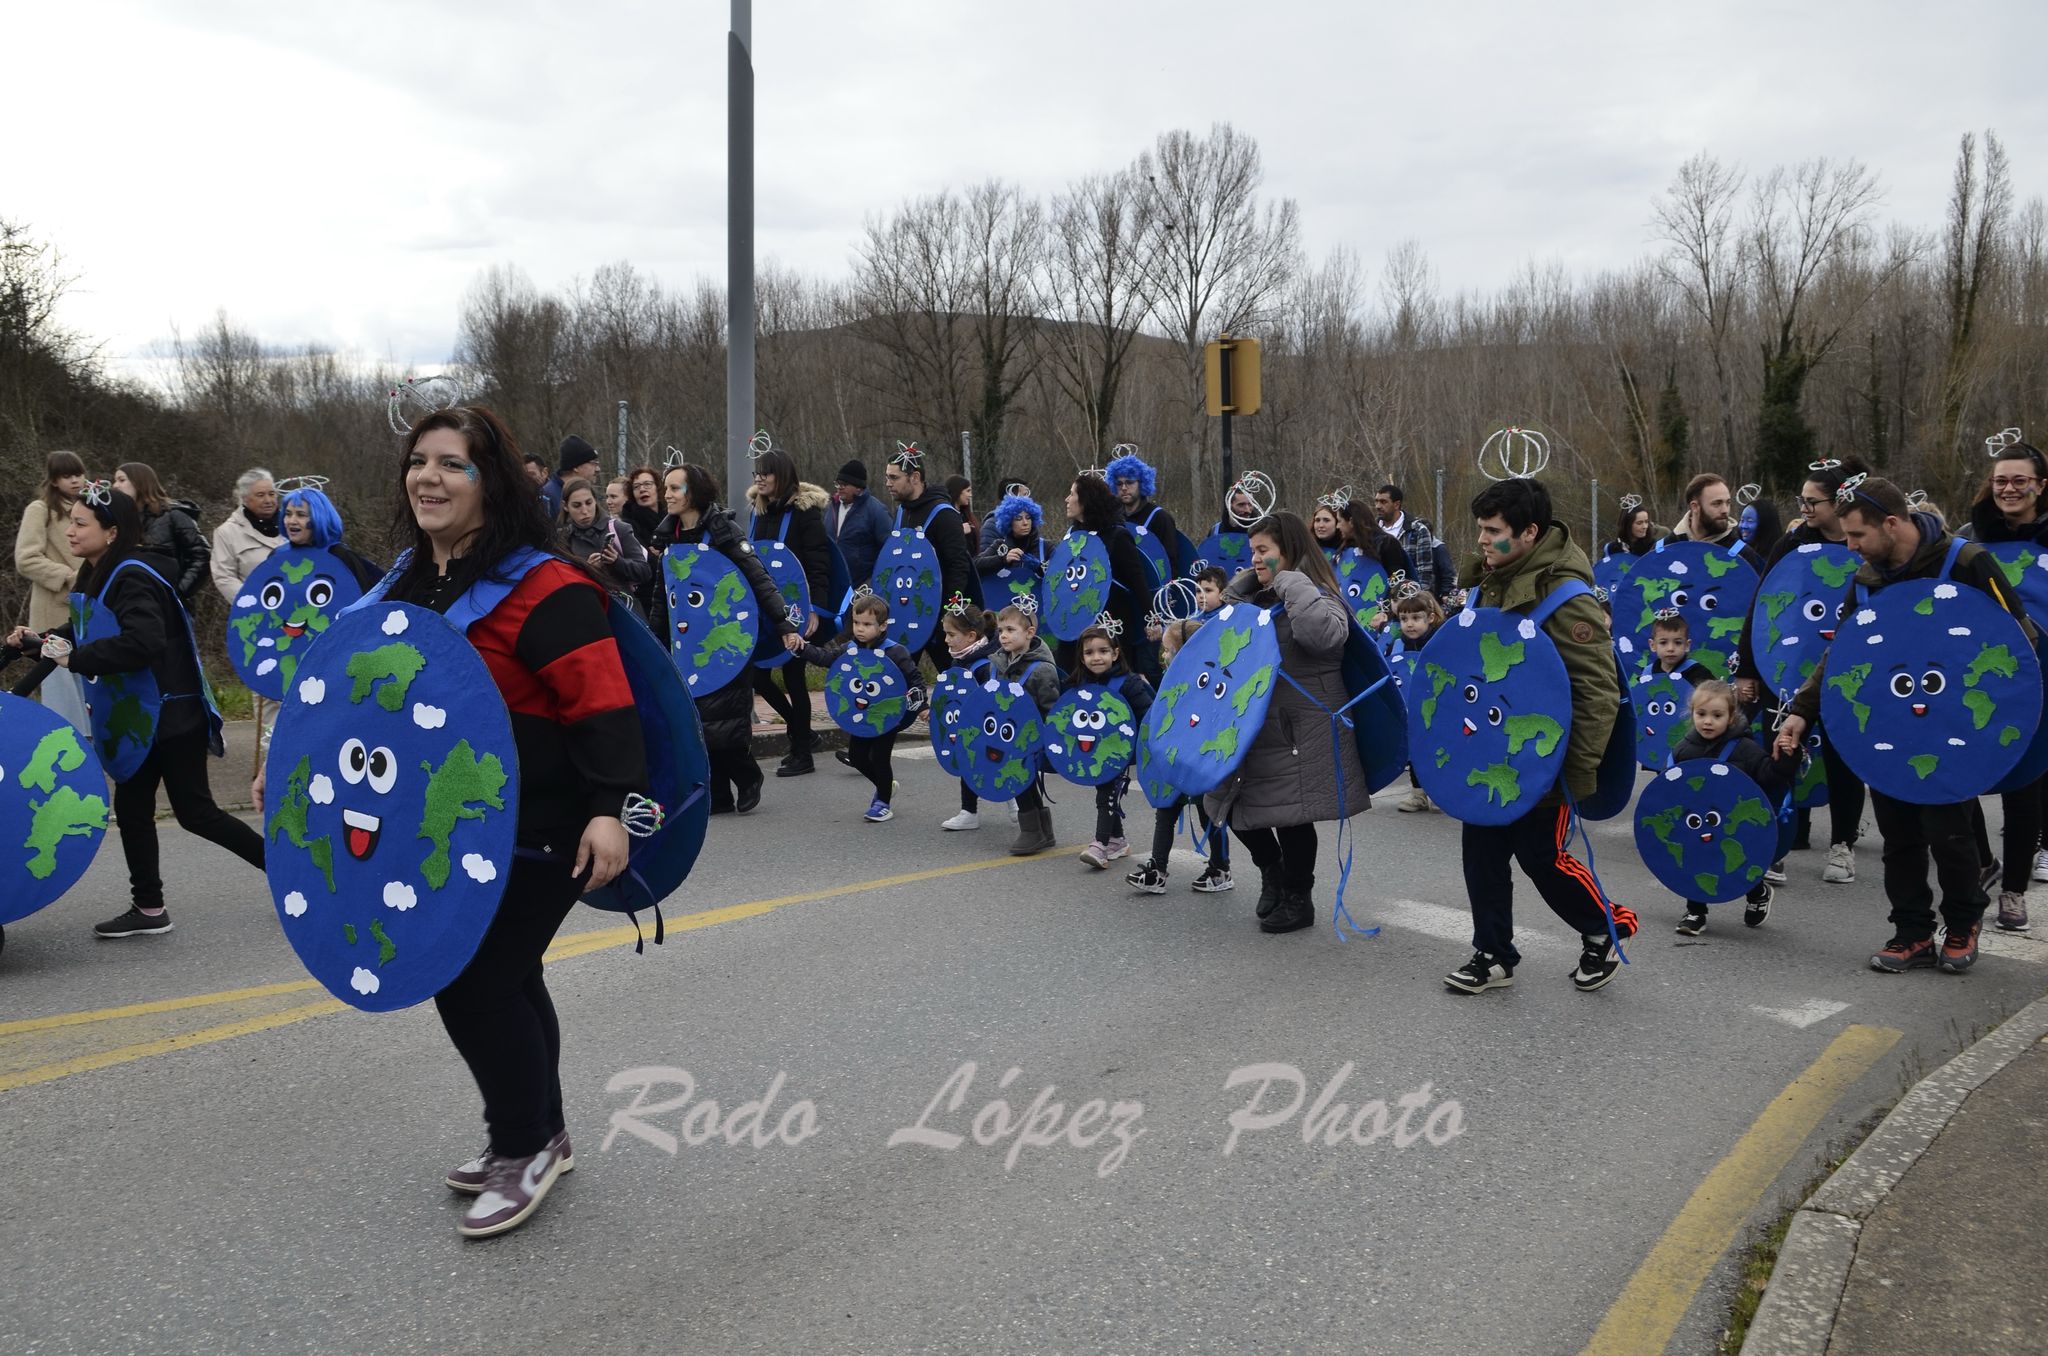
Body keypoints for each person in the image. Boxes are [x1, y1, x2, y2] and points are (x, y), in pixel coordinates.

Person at [319, 404, 641, 1240]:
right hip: (447, 827)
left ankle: (522, 1144)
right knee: (510, 974)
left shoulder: (545, 586)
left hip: (543, 826)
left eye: (451, 464)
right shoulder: (401, 583)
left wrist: (608, 813)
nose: (428, 476)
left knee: (474, 977)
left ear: (490, 482)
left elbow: (605, 709)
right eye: (418, 460)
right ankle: (544, 1132)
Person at [1776, 476, 2029, 974]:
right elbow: (1841, 654)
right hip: (1889, 728)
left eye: (1857, 536)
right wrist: (1802, 712)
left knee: (1948, 832)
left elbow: (2018, 638)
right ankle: (1911, 931)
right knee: (1899, 836)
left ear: (1891, 524)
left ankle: (1961, 924)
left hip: (1950, 726)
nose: (1850, 547)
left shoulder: (1967, 563)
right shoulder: (1868, 580)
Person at [6, 483, 265, 938]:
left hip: (169, 715)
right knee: (133, 807)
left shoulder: (132, 575)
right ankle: (148, 907)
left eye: (80, 524)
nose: (70, 530)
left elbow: (142, 643)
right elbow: (87, 630)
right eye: (71, 521)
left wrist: (75, 658)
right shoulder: (97, 572)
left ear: (111, 532)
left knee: (196, 813)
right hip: (143, 719)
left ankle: (287, 874)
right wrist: (38, 643)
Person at [1442, 477, 1636, 995]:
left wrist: (1575, 769)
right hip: (1492, 749)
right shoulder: (1494, 579)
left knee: (1542, 859)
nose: (1481, 540)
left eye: (1493, 530)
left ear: (1529, 532)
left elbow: (1597, 691)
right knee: (1480, 853)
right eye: (1480, 528)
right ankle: (1494, 954)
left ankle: (1602, 931)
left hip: (1542, 758)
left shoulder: (1568, 596)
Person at [1203, 511, 1369, 935]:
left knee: (1292, 819)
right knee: (1224, 802)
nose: (1255, 560)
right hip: (1254, 725)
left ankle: (1299, 897)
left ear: (1290, 553)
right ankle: (1271, 870)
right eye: (1252, 551)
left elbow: (1323, 637)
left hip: (1302, 725)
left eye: (1264, 551)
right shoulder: (1252, 601)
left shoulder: (1319, 595)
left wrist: (1292, 580)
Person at [1735, 457, 1870, 882]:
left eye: (1815, 501)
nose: (1806, 508)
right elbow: (1761, 608)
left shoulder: (1861, 545)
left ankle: (1842, 846)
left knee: (1842, 757)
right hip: (1788, 669)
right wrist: (1749, 669)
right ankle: (1777, 843)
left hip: (1846, 670)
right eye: (1803, 500)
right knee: (1783, 751)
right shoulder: (1790, 546)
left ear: (1839, 501)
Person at [654, 462, 798, 814]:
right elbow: (664, 594)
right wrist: (656, 639)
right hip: (689, 644)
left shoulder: (722, 531)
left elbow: (757, 577)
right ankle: (718, 794)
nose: (667, 495)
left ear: (695, 493)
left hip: (726, 640)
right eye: (666, 488)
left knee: (725, 722)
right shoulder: (667, 536)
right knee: (700, 722)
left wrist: (783, 621)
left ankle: (748, 775)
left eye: (675, 488)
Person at [1956, 439, 2048, 933]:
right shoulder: (1970, 538)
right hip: (1978, 676)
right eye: (2001, 481)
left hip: (2041, 673)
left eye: (2020, 480)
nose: (2009, 489)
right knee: (1963, 774)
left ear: (2040, 486)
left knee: (2025, 783)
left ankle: (2013, 893)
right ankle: (1983, 859)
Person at [1670, 681, 1797, 935]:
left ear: (1731, 717)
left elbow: (1769, 777)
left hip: (1733, 823)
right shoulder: (1684, 750)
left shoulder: (1745, 749)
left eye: (1717, 715)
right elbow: (1671, 788)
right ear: (1692, 713)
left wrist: (1787, 759)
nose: (1708, 721)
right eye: (1701, 714)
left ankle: (1757, 892)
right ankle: (1696, 911)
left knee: (1738, 864)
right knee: (1697, 861)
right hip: (1699, 822)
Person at [1126, 617, 1233, 895]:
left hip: (1198, 764)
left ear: (1187, 651)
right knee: (1165, 812)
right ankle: (1157, 871)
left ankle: (1221, 869)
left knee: (1207, 815)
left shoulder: (1206, 683)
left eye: (1169, 650)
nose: (1164, 655)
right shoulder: (1172, 680)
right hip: (1173, 762)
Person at [790, 593, 919, 822]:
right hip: (860, 716)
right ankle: (885, 785)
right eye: (857, 623)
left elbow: (915, 680)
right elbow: (824, 657)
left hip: (886, 717)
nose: (860, 629)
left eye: (867, 624)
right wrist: (802, 649)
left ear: (882, 626)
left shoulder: (896, 652)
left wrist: (922, 706)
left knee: (880, 758)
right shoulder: (849, 649)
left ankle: (883, 803)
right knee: (857, 757)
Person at [747, 448, 833, 777]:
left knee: (794, 678)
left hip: (797, 608)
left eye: (765, 473)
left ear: (781, 475)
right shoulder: (757, 511)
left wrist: (816, 611)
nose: (759, 478)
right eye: (757, 472)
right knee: (758, 677)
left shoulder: (804, 513)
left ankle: (802, 754)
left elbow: (817, 563)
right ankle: (802, 732)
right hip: (764, 610)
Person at [1064, 622, 1154, 869]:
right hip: (1094, 750)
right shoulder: (1081, 685)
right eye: (1089, 652)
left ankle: (1100, 845)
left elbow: (1148, 714)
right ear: (1081, 657)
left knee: (1107, 796)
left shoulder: (1129, 683)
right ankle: (1117, 840)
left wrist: (1136, 745)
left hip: (1119, 751)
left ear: (1115, 653)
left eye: (1103, 651)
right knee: (1104, 791)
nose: (1096, 657)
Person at [13, 450, 88, 729]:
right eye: (67, 476)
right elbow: (26, 558)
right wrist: (68, 576)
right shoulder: (40, 509)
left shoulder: (87, 507)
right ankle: (67, 740)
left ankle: (90, 742)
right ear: (54, 480)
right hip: (54, 607)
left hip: (86, 606)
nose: (75, 480)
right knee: (60, 684)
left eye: (78, 474)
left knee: (88, 675)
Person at [884, 447, 976, 667]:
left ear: (915, 477)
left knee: (952, 680)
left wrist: (947, 615)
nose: (888, 483)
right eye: (887, 477)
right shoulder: (902, 512)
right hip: (906, 612)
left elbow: (958, 567)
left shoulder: (944, 514)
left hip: (939, 618)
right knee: (899, 678)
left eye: (894, 477)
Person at [1058, 474, 1151, 675]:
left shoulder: (1117, 536)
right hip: (1075, 626)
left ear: (1085, 500)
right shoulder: (1072, 537)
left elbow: (1138, 583)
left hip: (1111, 627)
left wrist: (1153, 621)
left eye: (1072, 494)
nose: (1067, 499)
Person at [990, 603, 1061, 854]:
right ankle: (1043, 830)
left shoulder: (1042, 669)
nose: (1003, 636)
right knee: (1022, 781)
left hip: (1030, 737)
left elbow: (1051, 709)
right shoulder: (999, 663)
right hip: (1006, 734)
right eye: (1000, 631)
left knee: (1019, 779)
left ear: (1029, 633)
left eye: (1010, 629)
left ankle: (1032, 831)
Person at [936, 602, 1000, 831]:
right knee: (967, 763)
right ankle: (968, 811)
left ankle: (1016, 801)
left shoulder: (986, 666)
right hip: (966, 728)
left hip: (986, 727)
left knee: (997, 763)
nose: (946, 640)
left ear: (971, 635)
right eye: (945, 634)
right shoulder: (960, 661)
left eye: (951, 634)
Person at [113, 463, 209, 604]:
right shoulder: (121, 519)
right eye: (115, 481)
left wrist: (177, 594)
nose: (115, 485)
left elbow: (202, 556)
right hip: (130, 602)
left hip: (167, 608)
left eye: (121, 480)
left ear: (140, 482)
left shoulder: (174, 515)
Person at [1389, 587, 1446, 813]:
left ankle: (1441, 792)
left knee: (1437, 749)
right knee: (1415, 749)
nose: (1409, 624)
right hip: (1410, 707)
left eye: (1415, 618)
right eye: (1404, 619)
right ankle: (1418, 793)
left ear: (1430, 618)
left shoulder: (1440, 642)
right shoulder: (1398, 644)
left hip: (1436, 706)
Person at [279, 481, 384, 591]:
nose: (291, 521)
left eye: (301, 515)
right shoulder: (278, 555)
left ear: (318, 519)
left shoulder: (341, 557)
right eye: (288, 514)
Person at [557, 477, 650, 594]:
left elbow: (644, 572)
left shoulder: (619, 529)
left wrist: (617, 561)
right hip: (584, 605)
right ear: (565, 506)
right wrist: (588, 570)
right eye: (577, 505)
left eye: (588, 503)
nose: (585, 510)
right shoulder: (563, 537)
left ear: (595, 501)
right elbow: (560, 582)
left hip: (620, 605)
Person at [1106, 449, 1181, 584]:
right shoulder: (1114, 518)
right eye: (1119, 483)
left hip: (1152, 587)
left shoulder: (1159, 517)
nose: (1124, 488)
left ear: (1142, 483)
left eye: (1129, 482)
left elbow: (1170, 562)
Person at [208, 467, 282, 604]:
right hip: (255, 613)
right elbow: (224, 576)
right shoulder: (227, 532)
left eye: (272, 494)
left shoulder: (293, 525)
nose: (268, 500)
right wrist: (253, 602)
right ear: (244, 499)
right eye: (260, 495)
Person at [1373, 483, 1455, 602]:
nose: (1378, 506)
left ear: (1396, 504)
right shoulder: (1372, 530)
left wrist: (1418, 599)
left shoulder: (1417, 530)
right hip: (1377, 595)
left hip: (1407, 597)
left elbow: (1424, 571)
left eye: (1383, 502)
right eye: (1376, 501)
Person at [1668, 473, 1763, 569]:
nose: (1725, 510)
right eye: (1717, 504)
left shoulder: (1743, 555)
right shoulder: (1665, 548)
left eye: (1728, 503)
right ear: (1695, 507)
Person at [828, 459, 891, 590]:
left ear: (858, 487)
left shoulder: (877, 511)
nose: (840, 487)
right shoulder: (829, 508)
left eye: (844, 484)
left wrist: (869, 584)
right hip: (832, 586)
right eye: (838, 483)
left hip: (862, 590)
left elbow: (889, 552)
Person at [1342, 499, 1412, 582]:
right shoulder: (1348, 546)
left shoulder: (1387, 544)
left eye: (1339, 521)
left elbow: (1395, 579)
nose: (1337, 526)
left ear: (1351, 521)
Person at [542, 436, 599, 521]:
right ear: (576, 467)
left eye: (588, 503)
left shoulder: (587, 491)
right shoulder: (547, 498)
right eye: (593, 463)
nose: (598, 469)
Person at [978, 477, 1033, 552]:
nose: (1028, 499)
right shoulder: (992, 525)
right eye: (1024, 495)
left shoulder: (1027, 521)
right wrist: (1005, 559)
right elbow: (984, 557)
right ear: (1011, 496)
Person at [944, 475, 978, 543]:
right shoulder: (945, 516)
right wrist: (959, 531)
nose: (970, 495)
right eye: (968, 491)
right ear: (957, 491)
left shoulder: (966, 516)